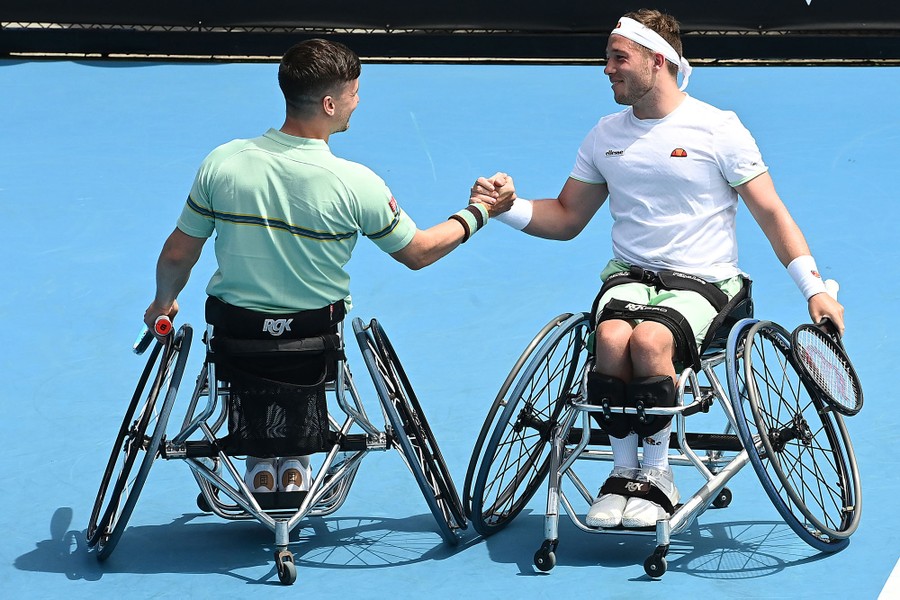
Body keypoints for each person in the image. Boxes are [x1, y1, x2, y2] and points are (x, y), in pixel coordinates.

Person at [472, 9, 844, 529]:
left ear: (658, 61)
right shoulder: (604, 134)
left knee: (648, 342)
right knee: (611, 339)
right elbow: (566, 216)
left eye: (618, 58)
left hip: (707, 284)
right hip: (629, 276)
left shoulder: (719, 129)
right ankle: (624, 475)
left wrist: (812, 288)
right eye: (607, 58)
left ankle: (659, 474)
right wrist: (503, 208)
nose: (607, 69)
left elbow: (771, 212)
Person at [143, 38, 514, 495]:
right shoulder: (357, 183)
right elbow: (417, 252)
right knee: (300, 350)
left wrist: (163, 302)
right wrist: (480, 212)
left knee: (252, 348)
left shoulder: (222, 163)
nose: (359, 101)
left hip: (235, 338)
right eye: (355, 92)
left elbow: (179, 253)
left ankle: (261, 461)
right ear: (329, 102)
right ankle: (295, 461)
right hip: (315, 341)